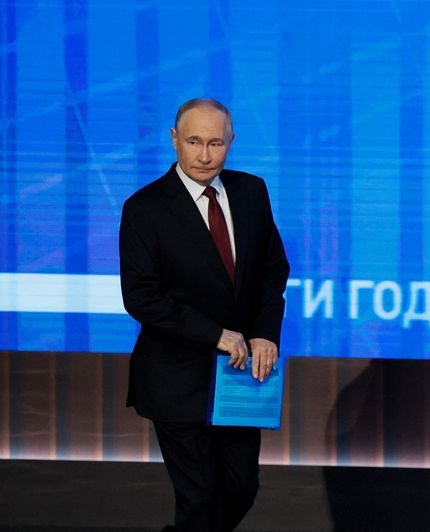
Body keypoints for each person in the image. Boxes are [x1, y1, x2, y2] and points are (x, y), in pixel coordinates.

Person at [119, 98, 290, 531]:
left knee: (240, 489)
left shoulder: (252, 191)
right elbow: (141, 297)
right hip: (176, 379)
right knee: (198, 498)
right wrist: (217, 334)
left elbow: (274, 269)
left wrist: (266, 333)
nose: (204, 154)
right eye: (194, 141)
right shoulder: (145, 209)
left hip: (239, 379)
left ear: (230, 142)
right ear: (174, 140)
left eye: (216, 143)